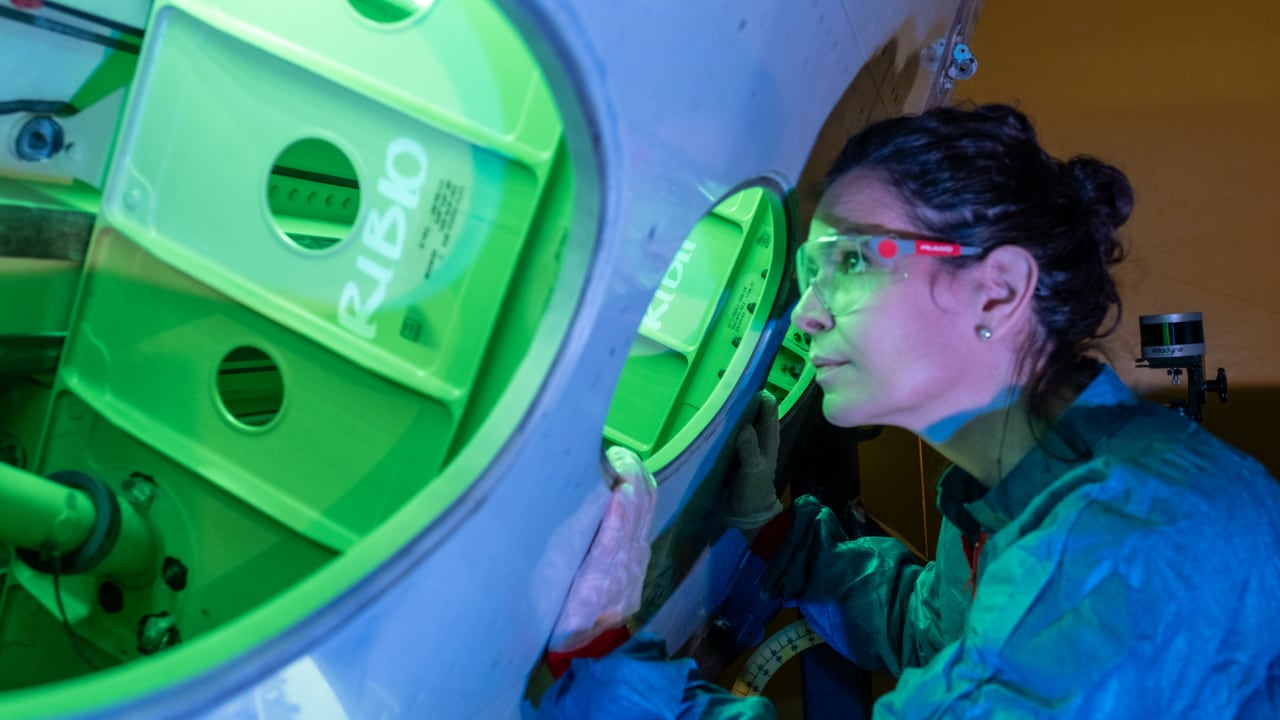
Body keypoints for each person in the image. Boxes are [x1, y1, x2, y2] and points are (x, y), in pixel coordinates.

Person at [536, 103, 1280, 718]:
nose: (805, 318)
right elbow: (932, 633)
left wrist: (600, 655)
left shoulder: (1133, 541)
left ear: (998, 291)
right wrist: (774, 533)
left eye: (852, 262)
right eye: (810, 272)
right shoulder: (1017, 497)